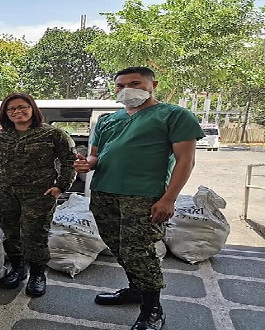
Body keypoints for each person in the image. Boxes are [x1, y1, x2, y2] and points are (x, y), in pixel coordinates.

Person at [74, 67, 204, 330]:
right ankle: (136, 289)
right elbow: (96, 155)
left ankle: (152, 309)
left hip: (144, 196)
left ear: (152, 84)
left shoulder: (174, 115)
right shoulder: (108, 121)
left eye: (135, 83)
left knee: (139, 252)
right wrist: (86, 164)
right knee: (118, 246)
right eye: (120, 85)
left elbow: (185, 160)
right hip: (105, 192)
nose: (127, 89)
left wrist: (169, 199)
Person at [0, 92, 76, 297]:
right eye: (11, 109)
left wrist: (60, 187)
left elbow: (69, 162)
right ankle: (18, 269)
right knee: (11, 232)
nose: (17, 112)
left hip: (39, 194)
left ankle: (38, 275)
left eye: (23, 107)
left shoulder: (53, 134)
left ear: (32, 109)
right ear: (5, 113)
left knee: (34, 234)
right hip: (5, 192)